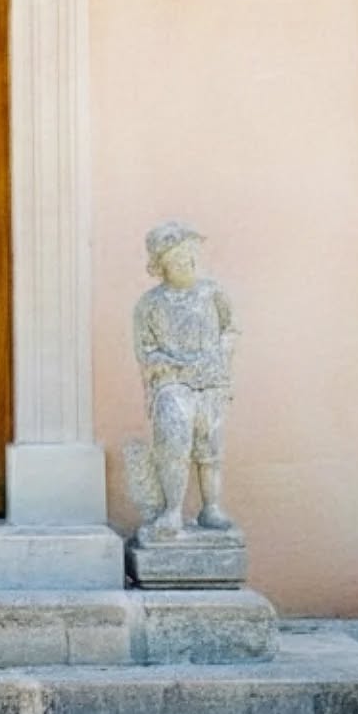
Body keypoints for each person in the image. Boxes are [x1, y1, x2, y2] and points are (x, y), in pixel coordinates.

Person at [133, 222, 238, 542]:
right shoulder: (150, 303)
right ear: (160, 265)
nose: (186, 261)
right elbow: (146, 349)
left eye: (190, 253)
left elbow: (230, 329)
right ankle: (173, 509)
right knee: (174, 438)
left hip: (210, 381)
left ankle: (211, 506)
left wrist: (220, 356)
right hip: (173, 383)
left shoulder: (212, 293)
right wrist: (170, 366)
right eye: (176, 256)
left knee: (210, 446)